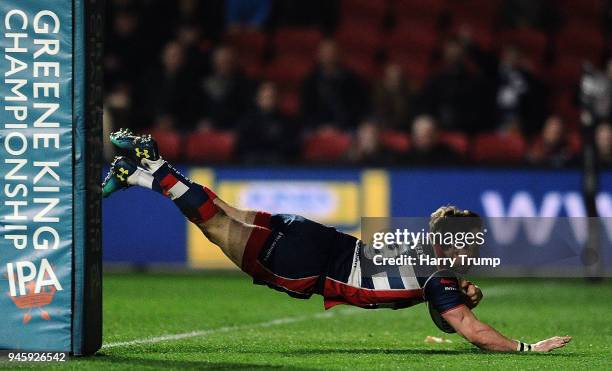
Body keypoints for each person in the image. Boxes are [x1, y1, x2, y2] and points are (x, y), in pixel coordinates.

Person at [101, 128, 572, 353]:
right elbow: (467, 329)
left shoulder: (425, 256)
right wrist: (527, 348)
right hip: (314, 265)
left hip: (316, 235)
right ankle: (155, 167)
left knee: (228, 211)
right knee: (217, 227)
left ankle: (138, 175)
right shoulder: (439, 272)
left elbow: (448, 320)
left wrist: (464, 295)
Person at [300, 39, 368, 131]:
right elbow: (306, 111)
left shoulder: (351, 79)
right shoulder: (310, 81)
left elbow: (358, 109)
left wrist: (338, 127)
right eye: (324, 53)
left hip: (346, 127)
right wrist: (320, 127)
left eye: (331, 52)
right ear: (318, 55)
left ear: (338, 54)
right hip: (317, 128)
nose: (328, 56)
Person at [237, 82, 298, 163]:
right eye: (264, 97)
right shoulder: (247, 121)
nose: (267, 100)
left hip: (278, 165)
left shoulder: (286, 122)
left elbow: (290, 147)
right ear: (257, 99)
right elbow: (242, 146)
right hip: (252, 164)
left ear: (276, 99)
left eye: (270, 97)